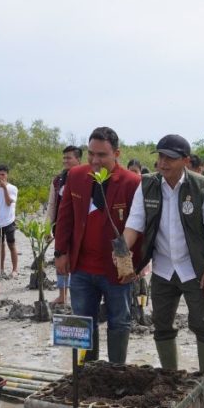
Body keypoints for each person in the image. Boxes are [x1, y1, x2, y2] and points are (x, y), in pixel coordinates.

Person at [122, 135, 204, 375]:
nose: (163, 162)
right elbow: (134, 223)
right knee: (162, 325)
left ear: (186, 160)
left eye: (170, 158)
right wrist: (122, 253)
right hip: (162, 268)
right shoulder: (147, 184)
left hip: (194, 268)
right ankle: (170, 378)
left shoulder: (202, 187)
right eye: (160, 156)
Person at [54, 127, 141, 363]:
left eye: (102, 155)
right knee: (83, 321)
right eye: (91, 153)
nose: (95, 160)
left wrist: (137, 265)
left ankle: (115, 371)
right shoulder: (76, 176)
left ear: (117, 153)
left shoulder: (132, 183)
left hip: (117, 270)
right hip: (81, 266)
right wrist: (60, 252)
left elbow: (141, 227)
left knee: (119, 321)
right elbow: (65, 217)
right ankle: (87, 372)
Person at [45, 145, 82, 305]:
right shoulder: (57, 181)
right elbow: (52, 205)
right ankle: (62, 295)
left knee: (79, 265)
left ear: (78, 159)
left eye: (69, 158)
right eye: (64, 158)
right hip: (61, 229)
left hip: (81, 230)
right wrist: (48, 228)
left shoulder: (87, 178)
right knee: (60, 262)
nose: (65, 161)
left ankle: (78, 296)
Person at [0, 164, 19, 281]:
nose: (0, 176)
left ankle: (15, 270)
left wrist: (4, 188)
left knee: (11, 245)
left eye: (2, 174)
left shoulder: (13, 188)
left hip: (9, 221)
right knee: (0, 246)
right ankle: (1, 269)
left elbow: (9, 202)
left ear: (7, 175)